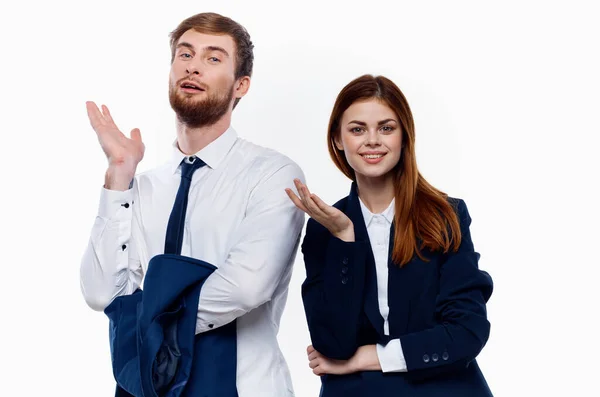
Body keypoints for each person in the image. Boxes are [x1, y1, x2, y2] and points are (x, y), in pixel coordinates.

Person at [80, 12, 305, 397]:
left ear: (241, 85)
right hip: (147, 388)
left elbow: (247, 287)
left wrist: (146, 319)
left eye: (213, 58)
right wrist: (119, 176)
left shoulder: (272, 174)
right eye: (185, 54)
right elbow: (102, 293)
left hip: (243, 386)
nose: (194, 67)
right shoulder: (143, 186)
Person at [286, 74, 494, 396]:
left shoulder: (446, 216)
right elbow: (332, 345)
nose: (372, 140)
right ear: (338, 139)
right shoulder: (325, 227)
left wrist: (369, 357)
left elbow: (467, 332)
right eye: (357, 129)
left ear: (404, 136)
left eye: (386, 128)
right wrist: (345, 237)